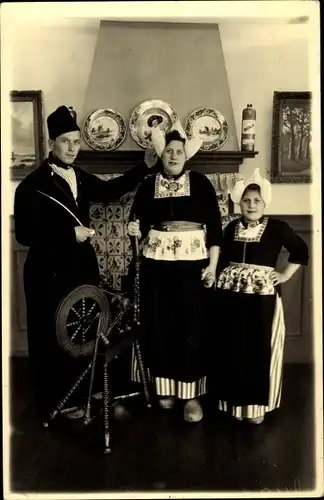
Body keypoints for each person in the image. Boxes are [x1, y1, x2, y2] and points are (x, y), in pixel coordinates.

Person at [14, 105, 157, 422]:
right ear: (52, 143)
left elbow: (109, 191)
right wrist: (68, 232)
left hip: (79, 267)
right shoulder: (32, 185)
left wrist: (144, 166)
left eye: (76, 142)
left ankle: (81, 395)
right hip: (46, 272)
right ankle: (56, 402)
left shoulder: (78, 176)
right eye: (65, 142)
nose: (71, 148)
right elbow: (24, 234)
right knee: (53, 333)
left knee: (80, 331)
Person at [127, 122, 223, 423]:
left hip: (193, 264)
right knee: (160, 323)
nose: (173, 155)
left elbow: (216, 230)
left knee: (191, 325)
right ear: (160, 154)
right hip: (156, 264)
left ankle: (191, 396)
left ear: (186, 155)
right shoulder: (147, 184)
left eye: (178, 151)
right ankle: (165, 389)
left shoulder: (202, 184)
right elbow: (137, 222)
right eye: (168, 151)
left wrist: (212, 265)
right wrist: (133, 228)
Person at [211, 168, 309, 424]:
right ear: (239, 203)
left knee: (258, 347)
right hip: (230, 296)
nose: (251, 205)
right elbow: (219, 256)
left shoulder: (277, 228)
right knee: (232, 347)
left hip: (262, 298)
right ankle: (231, 404)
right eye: (246, 200)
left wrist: (285, 275)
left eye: (256, 201)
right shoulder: (230, 227)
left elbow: (300, 250)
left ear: (264, 203)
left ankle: (255, 409)